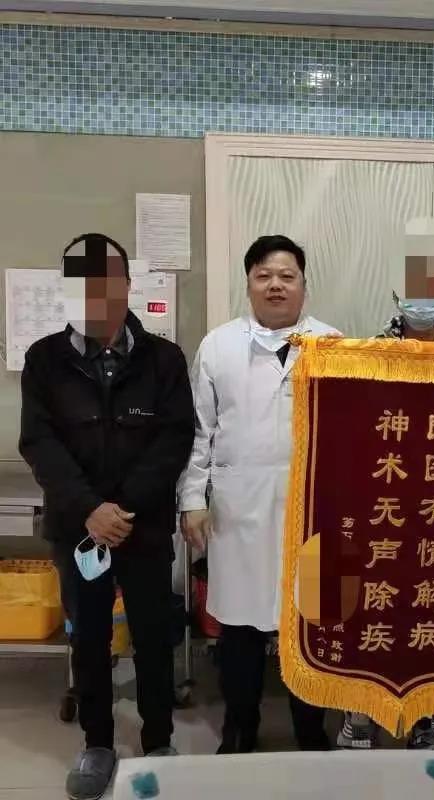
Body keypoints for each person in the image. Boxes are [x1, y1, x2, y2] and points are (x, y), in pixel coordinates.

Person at [19, 233, 194, 800]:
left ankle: (159, 740)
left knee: (153, 637)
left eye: (105, 282)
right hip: (79, 531)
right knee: (89, 639)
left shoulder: (163, 358)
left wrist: (123, 509)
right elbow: (39, 442)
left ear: (126, 285)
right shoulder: (44, 359)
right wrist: (90, 509)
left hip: (143, 529)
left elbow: (174, 440)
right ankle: (97, 743)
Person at [179, 234, 339, 754]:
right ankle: (239, 729)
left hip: (313, 512)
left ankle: (311, 732)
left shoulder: (333, 346)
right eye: (263, 276)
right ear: (248, 284)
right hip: (238, 508)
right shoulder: (218, 346)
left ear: (304, 286)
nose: (275, 285)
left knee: (310, 625)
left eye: (287, 276)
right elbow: (198, 432)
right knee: (240, 628)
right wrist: (192, 499)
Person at [338, 227, 434, 750]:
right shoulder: (366, 352)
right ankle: (364, 714)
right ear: (396, 293)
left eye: (433, 286)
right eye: (413, 286)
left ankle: (430, 717)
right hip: (385, 500)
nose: (423, 298)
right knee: (378, 607)